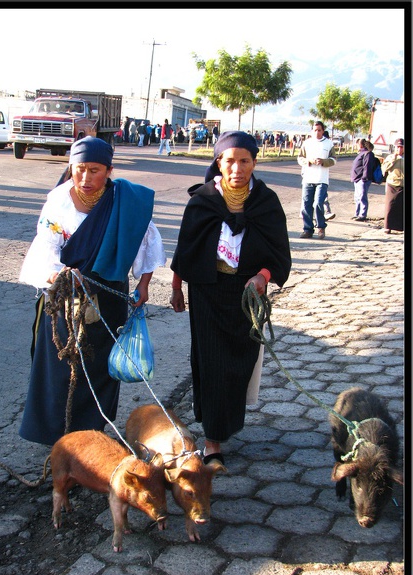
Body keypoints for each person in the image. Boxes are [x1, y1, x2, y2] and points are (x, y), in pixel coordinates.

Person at [18, 136, 166, 446]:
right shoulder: (58, 201)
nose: (85, 179)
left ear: (109, 170)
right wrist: (57, 273)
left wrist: (143, 285)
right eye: (79, 169)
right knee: (61, 367)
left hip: (109, 297)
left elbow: (147, 240)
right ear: (70, 167)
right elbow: (46, 247)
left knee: (99, 369)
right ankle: (57, 441)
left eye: (95, 170)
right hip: (63, 296)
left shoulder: (127, 201)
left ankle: (91, 439)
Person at [169, 131, 291, 465]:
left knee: (239, 364)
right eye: (229, 160)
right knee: (212, 365)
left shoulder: (266, 203)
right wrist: (177, 286)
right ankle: (213, 443)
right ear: (218, 162)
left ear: (254, 162)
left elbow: (279, 254)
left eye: (244, 160)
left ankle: (226, 424)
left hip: (246, 295)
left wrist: (262, 277)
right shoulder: (202, 201)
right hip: (208, 291)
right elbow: (186, 248)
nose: (236, 168)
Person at [297, 121, 337, 239]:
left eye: (319, 130)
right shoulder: (307, 143)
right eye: (315, 130)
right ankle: (308, 229)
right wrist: (308, 161)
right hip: (308, 178)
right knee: (306, 204)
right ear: (312, 131)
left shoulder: (328, 144)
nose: (317, 132)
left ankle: (321, 227)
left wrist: (324, 161)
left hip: (322, 179)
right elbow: (300, 158)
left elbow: (334, 159)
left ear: (323, 131)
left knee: (318, 203)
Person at [350, 138, 377, 222]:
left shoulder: (368, 154)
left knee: (362, 197)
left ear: (361, 144)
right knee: (357, 197)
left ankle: (362, 215)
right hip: (357, 179)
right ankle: (357, 214)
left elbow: (367, 166)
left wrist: (364, 178)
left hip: (362, 179)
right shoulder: (361, 153)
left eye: (357, 143)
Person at [381, 138, 404, 234]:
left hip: (403, 184)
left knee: (402, 207)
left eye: (401, 147)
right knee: (390, 206)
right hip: (392, 183)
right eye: (398, 147)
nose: (399, 149)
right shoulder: (391, 157)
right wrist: (393, 159)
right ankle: (388, 226)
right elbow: (384, 169)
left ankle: (401, 227)